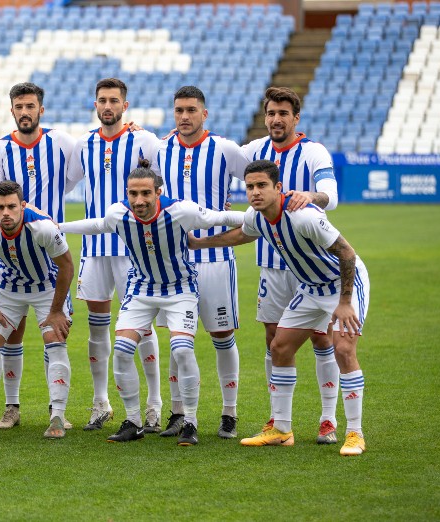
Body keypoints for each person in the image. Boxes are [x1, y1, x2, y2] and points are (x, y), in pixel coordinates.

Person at [188, 160, 369, 456]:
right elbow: (242, 234)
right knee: (280, 347)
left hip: (342, 283)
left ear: (278, 188)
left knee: (344, 349)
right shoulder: (256, 216)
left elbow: (346, 252)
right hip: (310, 287)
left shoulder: (303, 216)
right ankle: (282, 429)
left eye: (262, 186)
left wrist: (345, 302)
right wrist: (200, 243)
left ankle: (354, 433)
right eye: (250, 187)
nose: (255, 192)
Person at [60, 160, 244, 445]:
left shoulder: (180, 211)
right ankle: (133, 420)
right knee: (121, 350)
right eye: (133, 193)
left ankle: (191, 422)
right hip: (141, 288)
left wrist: (262, 215)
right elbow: (96, 225)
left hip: (179, 288)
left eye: (146, 193)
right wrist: (56, 226)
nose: (139, 200)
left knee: (182, 351)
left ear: (158, 192)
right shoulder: (118, 213)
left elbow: (219, 218)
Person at [242, 86, 341, 444]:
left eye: (283, 113)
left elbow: (330, 193)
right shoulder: (255, 150)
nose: (276, 119)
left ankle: (327, 419)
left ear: (295, 118)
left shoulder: (312, 151)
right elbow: (217, 157)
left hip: (311, 265)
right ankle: (278, 421)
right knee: (274, 340)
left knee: (321, 336)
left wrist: (310, 196)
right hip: (271, 262)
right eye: (271, 113)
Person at [66, 78, 163, 432]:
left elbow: (166, 179)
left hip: (133, 250)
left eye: (114, 101)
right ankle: (100, 402)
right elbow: (65, 183)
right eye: (102, 101)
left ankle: (154, 405)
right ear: (95, 105)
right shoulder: (84, 144)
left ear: (125, 105)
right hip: (94, 250)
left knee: (142, 327)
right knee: (97, 328)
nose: (107, 106)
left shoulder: (144, 140)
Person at [0, 82, 77, 430]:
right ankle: (12, 408)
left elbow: (82, 169)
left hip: (51, 254)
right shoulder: (1, 148)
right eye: (19, 106)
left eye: (30, 106)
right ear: (12, 110)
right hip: (12, 256)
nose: (25, 112)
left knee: (55, 333)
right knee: (12, 333)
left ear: (41, 110)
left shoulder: (62, 142)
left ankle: (57, 411)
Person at [156, 86, 249, 439]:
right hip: (173, 262)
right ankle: (177, 412)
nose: (184, 116)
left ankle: (229, 412)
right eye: (179, 109)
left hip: (215, 259)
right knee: (178, 339)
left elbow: (257, 180)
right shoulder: (160, 148)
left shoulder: (224, 149)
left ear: (204, 114)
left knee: (221, 336)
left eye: (191, 110)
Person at [0, 180, 74, 439]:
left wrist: (56, 311)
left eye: (11, 206)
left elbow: (66, 266)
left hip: (47, 286)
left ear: (23, 205)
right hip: (10, 288)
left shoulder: (42, 227)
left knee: (54, 337)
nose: (5, 213)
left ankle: (57, 415)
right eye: (0, 207)